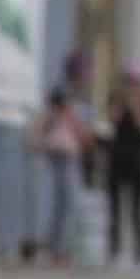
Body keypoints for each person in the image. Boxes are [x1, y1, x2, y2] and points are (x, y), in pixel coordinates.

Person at [32, 84, 91, 266]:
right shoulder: (49, 117)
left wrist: (71, 121)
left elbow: (85, 138)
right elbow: (36, 137)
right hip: (55, 159)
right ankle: (56, 249)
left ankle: (62, 249)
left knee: (69, 206)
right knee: (60, 206)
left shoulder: (72, 117)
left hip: (69, 159)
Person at [107, 64, 140, 267]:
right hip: (117, 159)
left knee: (137, 209)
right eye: (129, 82)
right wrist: (121, 101)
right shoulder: (115, 99)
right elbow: (112, 120)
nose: (132, 87)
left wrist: (135, 104)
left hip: (136, 161)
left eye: (136, 83)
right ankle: (114, 249)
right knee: (114, 208)